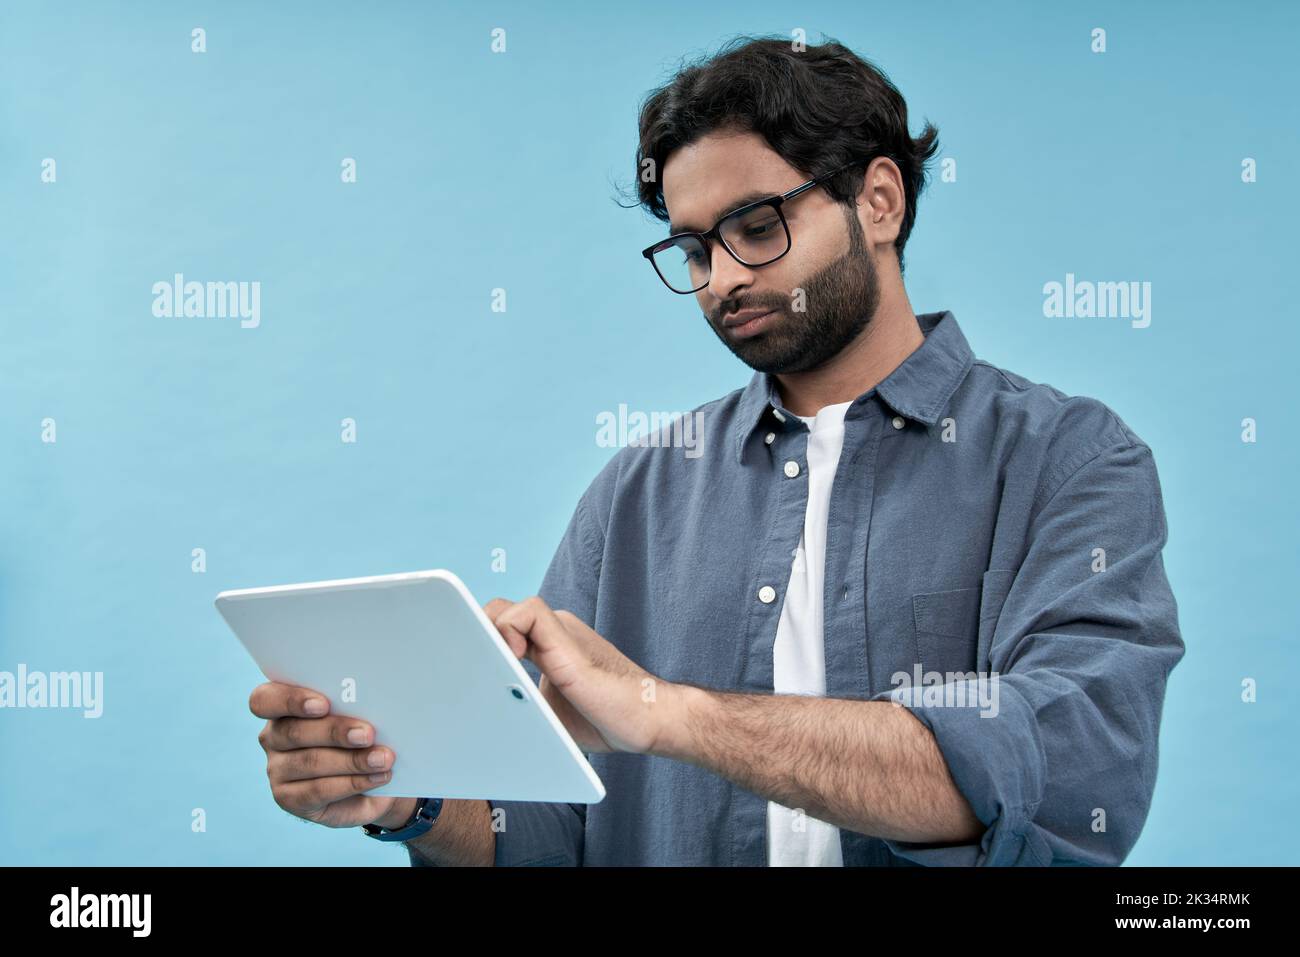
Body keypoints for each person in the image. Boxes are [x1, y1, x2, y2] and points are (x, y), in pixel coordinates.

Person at [249, 35, 1184, 866]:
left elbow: (1058, 775)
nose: (725, 278)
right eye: (694, 249)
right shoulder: (635, 493)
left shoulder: (1070, 458)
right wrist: (408, 799)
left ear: (881, 200)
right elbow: (543, 831)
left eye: (757, 226)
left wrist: (665, 711)